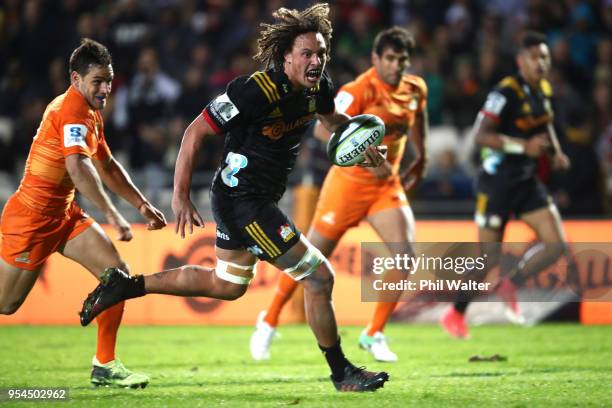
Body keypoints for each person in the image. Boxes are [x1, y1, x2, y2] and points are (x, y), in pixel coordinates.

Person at [78, 4, 389, 392]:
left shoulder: (319, 88)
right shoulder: (253, 90)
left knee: (227, 285)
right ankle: (341, 372)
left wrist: (362, 143)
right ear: (286, 56)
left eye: (321, 53)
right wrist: (180, 196)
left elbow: (332, 123)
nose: (316, 61)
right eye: (307, 53)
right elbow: (194, 133)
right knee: (317, 276)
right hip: (244, 200)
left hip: (254, 197)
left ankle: (128, 285)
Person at [250, 26, 428, 363]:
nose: (396, 66)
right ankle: (269, 320)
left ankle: (374, 333)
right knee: (309, 261)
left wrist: (423, 157)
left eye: (402, 60)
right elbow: (321, 130)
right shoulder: (358, 89)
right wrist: (362, 151)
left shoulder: (416, 88)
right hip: (346, 186)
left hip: (385, 186)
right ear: (376, 59)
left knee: (404, 257)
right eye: (390, 59)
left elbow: (417, 123)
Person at [0, 39, 167, 387]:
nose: (106, 88)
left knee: (117, 276)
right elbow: (78, 167)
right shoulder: (70, 110)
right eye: (98, 81)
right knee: (7, 304)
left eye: (109, 80)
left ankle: (105, 365)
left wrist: (140, 204)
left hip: (63, 215)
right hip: (31, 219)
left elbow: (106, 164)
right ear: (76, 79)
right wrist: (113, 214)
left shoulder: (91, 113)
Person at [440, 31, 571, 339]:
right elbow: (480, 135)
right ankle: (455, 313)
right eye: (535, 57)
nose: (541, 63)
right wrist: (523, 147)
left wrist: (556, 151)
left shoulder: (543, 90)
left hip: (526, 181)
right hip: (497, 183)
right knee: (488, 259)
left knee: (555, 246)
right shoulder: (505, 92)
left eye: (545, 57)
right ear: (520, 60)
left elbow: (546, 121)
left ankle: (511, 282)